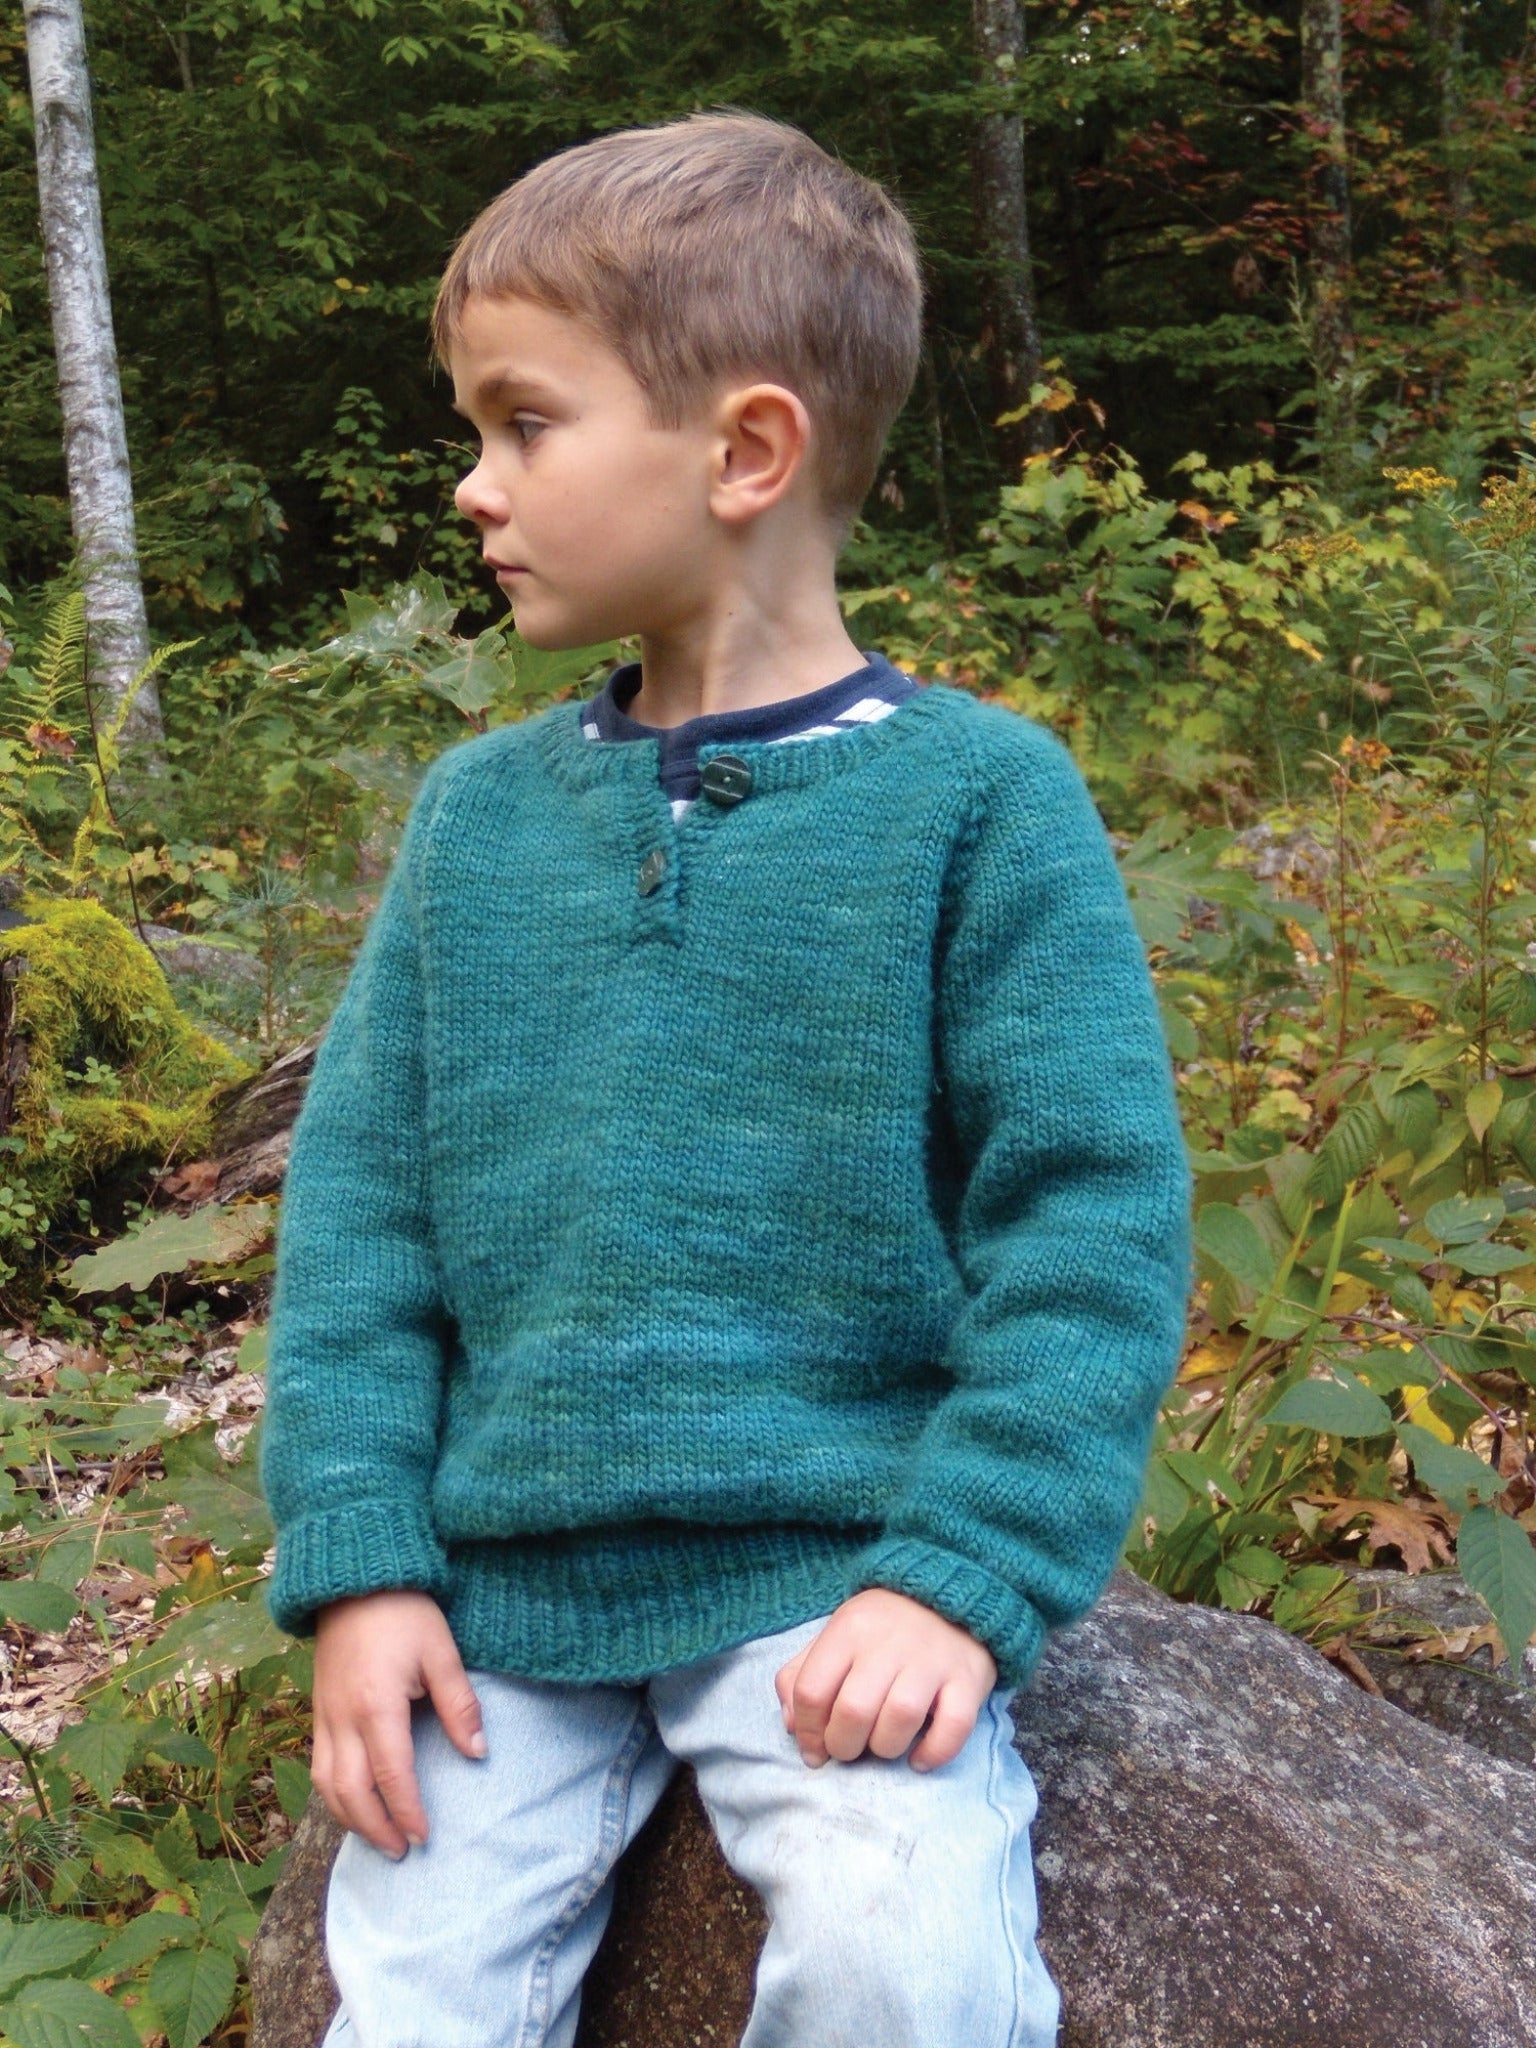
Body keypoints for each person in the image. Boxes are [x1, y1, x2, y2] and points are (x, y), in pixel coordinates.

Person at [259, 108, 1191, 2048]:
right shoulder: (472, 825)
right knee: (407, 2009)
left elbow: (1088, 1219)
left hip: (831, 1576)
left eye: (521, 424)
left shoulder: (978, 803)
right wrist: (361, 1568)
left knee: (898, 1962)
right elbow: (360, 1227)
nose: (471, 487)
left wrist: (959, 1576)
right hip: (496, 1611)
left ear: (746, 450)